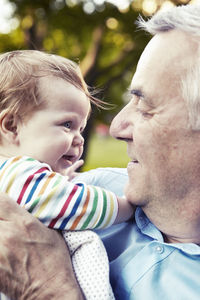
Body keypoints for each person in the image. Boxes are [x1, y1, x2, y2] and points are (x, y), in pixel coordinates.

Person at [0, 3, 200, 299]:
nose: (117, 126)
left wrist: (50, 291)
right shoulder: (96, 187)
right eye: (66, 124)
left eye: (146, 107)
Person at [0, 50, 133, 300]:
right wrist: (127, 206)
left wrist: (56, 177)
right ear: (12, 126)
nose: (79, 139)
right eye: (67, 125)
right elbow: (71, 204)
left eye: (81, 128)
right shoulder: (17, 171)